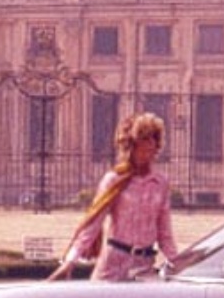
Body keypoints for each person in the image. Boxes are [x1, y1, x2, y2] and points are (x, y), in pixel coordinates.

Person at [51, 112, 177, 281]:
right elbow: (93, 224)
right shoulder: (114, 180)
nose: (149, 148)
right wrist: (69, 262)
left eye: (152, 142)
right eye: (144, 143)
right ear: (131, 147)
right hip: (113, 265)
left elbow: (164, 233)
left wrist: (178, 264)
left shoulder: (160, 183)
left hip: (144, 266)